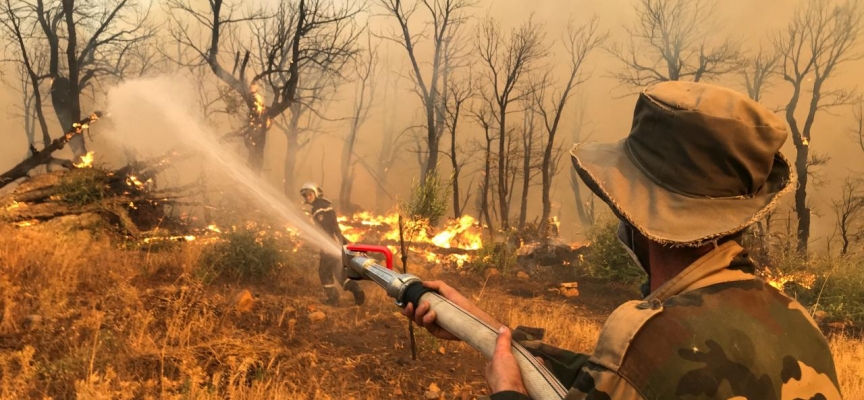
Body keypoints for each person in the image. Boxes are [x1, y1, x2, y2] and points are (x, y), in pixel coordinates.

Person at [403, 81, 841, 399]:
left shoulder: (646, 334)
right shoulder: (800, 325)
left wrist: (507, 392)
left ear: (636, 215)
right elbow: (612, 378)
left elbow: (634, 368)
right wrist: (483, 327)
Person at [300, 182, 365, 306]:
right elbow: (334, 226)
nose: (307, 197)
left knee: (324, 271)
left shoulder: (319, 208)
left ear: (315, 193)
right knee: (339, 273)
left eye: (309, 194)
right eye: (305, 196)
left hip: (329, 245)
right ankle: (357, 291)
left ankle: (333, 299)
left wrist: (326, 244)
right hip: (336, 243)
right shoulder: (324, 204)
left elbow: (327, 228)